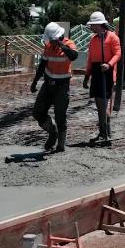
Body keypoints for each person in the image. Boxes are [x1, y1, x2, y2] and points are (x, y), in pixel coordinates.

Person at [30, 22, 78, 153]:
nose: (50, 41)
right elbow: (42, 65)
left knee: (60, 115)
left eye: (52, 39)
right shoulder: (48, 46)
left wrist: (62, 46)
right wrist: (34, 82)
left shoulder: (69, 44)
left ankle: (60, 145)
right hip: (48, 84)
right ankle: (53, 132)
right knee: (37, 113)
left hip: (62, 86)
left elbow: (74, 56)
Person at [83, 11, 123, 146]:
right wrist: (87, 75)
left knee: (105, 105)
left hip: (107, 72)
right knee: (99, 104)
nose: (91, 27)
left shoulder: (112, 38)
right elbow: (90, 59)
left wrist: (109, 64)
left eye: (93, 25)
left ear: (100, 24)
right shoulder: (93, 40)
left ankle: (106, 131)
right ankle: (103, 131)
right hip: (96, 72)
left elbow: (118, 54)